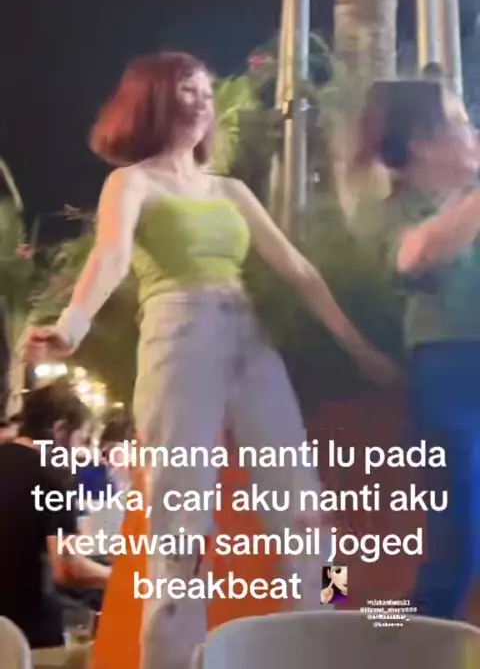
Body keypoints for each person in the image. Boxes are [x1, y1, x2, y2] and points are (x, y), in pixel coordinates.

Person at [22, 51, 399, 668]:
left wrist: (359, 348)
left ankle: (325, 631)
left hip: (248, 335)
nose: (202, 103)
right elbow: (111, 255)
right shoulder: (133, 182)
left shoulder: (230, 190)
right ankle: (170, 658)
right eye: (186, 91)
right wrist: (72, 325)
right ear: (153, 102)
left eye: (204, 91)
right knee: (180, 518)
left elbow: (300, 271)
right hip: (179, 333)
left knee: (304, 507)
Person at [353, 78, 480, 620]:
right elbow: (417, 254)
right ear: (422, 142)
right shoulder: (394, 210)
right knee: (458, 539)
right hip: (450, 368)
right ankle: (388, 637)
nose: (472, 132)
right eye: (459, 122)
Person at [0, 381, 110, 648]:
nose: (80, 453)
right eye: (80, 440)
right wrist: (125, 577)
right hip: (24, 634)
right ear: (60, 430)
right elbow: (68, 569)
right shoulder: (52, 476)